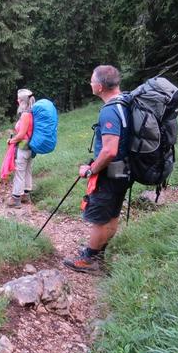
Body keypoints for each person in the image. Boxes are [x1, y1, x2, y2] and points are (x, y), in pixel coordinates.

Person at [64, 65, 131, 273]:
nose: (90, 83)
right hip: (124, 167)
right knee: (112, 215)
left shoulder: (109, 111)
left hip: (110, 169)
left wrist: (91, 170)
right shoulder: (126, 102)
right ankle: (100, 255)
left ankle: (89, 260)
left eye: (92, 80)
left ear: (100, 86)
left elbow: (110, 151)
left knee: (100, 217)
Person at [7, 89, 35, 208]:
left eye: (18, 99)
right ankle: (26, 196)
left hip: (23, 148)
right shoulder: (33, 113)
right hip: (31, 148)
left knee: (19, 172)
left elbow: (21, 134)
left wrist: (11, 140)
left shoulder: (25, 115)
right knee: (28, 170)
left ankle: (15, 199)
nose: (17, 100)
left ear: (22, 101)